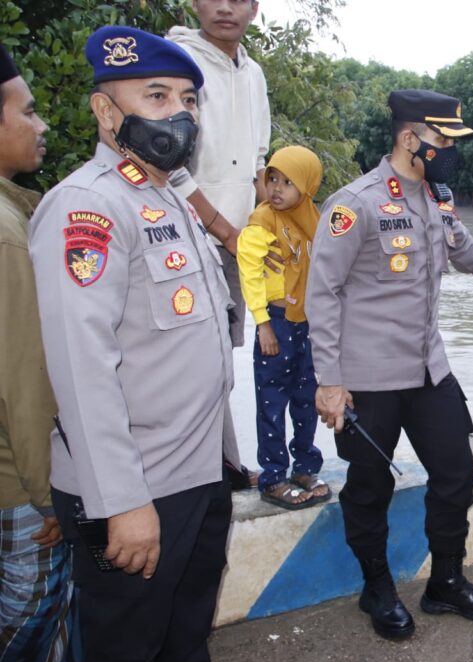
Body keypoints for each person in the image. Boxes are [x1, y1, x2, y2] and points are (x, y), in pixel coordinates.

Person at [28, 27, 234, 662]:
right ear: (106, 112)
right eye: (155, 94)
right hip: (140, 488)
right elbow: (81, 369)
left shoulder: (168, 196)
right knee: (125, 657)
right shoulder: (88, 206)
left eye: (188, 99)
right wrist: (121, 501)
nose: (178, 112)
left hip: (198, 472)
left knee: (185, 648)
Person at [308, 89, 473, 640]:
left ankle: (445, 582)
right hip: (366, 379)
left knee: (455, 472)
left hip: (429, 370)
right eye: (443, 139)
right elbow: (322, 294)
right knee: (369, 485)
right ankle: (376, 587)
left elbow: (462, 247)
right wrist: (329, 381)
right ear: (410, 138)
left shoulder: (436, 196)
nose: (449, 149)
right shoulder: (354, 204)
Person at [169, 0, 272, 488]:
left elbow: (258, 159)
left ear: (254, 8)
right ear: (194, 3)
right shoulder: (175, 61)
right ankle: (206, 472)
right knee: (188, 362)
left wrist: (261, 228)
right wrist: (224, 232)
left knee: (220, 362)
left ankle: (223, 465)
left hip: (235, 242)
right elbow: (169, 167)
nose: (226, 8)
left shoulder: (253, 73)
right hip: (185, 238)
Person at [0, 45, 75, 662]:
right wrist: (49, 497)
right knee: (31, 614)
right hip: (17, 483)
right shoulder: (5, 230)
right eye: (27, 112)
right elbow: (22, 386)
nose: (41, 124)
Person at [237, 146, 328, 509]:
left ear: (306, 186)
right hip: (275, 322)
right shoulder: (263, 221)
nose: (276, 188)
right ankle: (274, 477)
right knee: (272, 402)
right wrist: (262, 324)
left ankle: (305, 467)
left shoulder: (314, 220)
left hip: (308, 323)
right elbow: (250, 273)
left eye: (287, 182)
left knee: (307, 399)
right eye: (272, 178)